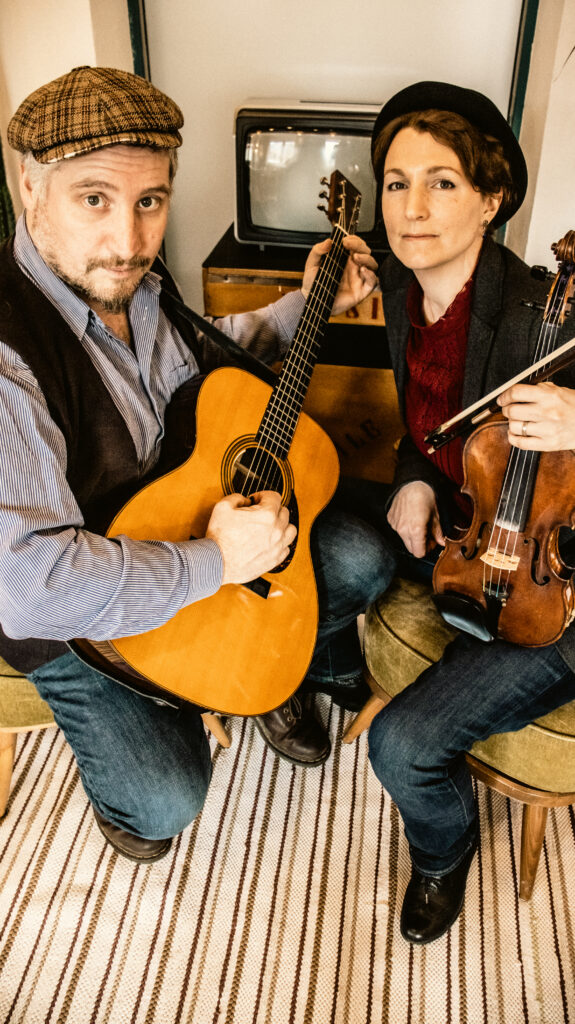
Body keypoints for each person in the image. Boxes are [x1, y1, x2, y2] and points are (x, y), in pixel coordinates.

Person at [0, 65, 395, 862]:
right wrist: (216, 563)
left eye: (150, 201)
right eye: (94, 200)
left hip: (179, 523)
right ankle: (180, 710)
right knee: (164, 799)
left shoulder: (131, 282)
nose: (130, 240)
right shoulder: (8, 354)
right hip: (79, 620)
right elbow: (31, 591)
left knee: (362, 557)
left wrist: (302, 303)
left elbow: (198, 369)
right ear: (28, 189)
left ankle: (263, 673)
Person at [364, 81, 575, 944]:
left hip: (552, 593)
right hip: (460, 539)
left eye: (441, 182)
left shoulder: (547, 317)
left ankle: (442, 857)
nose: (412, 208)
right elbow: (431, 427)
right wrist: (416, 474)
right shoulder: (400, 293)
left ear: (490, 201)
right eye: (395, 181)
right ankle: (325, 683)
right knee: (329, 541)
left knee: (400, 748)